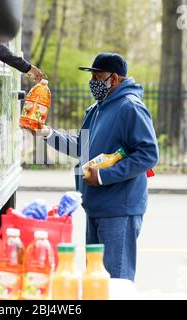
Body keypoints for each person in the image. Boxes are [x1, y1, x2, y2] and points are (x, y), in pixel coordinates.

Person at [28, 53, 159, 282]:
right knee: (96, 281)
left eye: (97, 77)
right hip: (96, 206)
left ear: (114, 79)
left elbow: (148, 154)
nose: (93, 83)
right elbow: (82, 147)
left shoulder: (131, 107)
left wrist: (103, 176)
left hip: (119, 209)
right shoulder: (97, 109)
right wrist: (47, 134)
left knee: (114, 281)